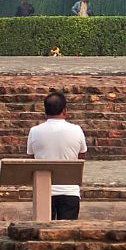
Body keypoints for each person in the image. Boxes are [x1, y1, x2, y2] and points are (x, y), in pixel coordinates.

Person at [24, 91, 88, 219]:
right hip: (70, 190)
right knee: (68, 232)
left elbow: (32, 157)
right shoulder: (76, 130)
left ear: (45, 111)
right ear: (65, 110)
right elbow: (81, 156)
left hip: (44, 190)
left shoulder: (34, 131)